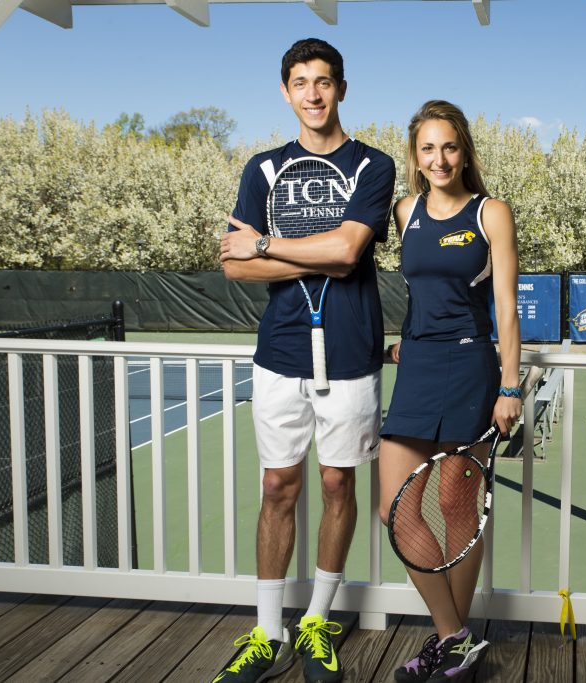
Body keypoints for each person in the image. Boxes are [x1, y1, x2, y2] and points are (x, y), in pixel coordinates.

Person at [216, 38, 395, 683]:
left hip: (351, 354)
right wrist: (298, 253)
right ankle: (267, 633)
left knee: (337, 485)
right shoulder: (263, 167)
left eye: (324, 82)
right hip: (280, 353)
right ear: (286, 92)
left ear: (341, 89)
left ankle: (317, 622)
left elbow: (348, 253)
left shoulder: (374, 166)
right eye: (301, 82)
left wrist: (268, 243)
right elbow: (234, 266)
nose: (313, 94)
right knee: (277, 488)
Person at [378, 100, 522, 683]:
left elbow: (507, 308)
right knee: (395, 509)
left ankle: (450, 644)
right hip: (416, 371)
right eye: (427, 148)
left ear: (464, 153)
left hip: (470, 370)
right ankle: (454, 637)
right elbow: (417, 293)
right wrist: (398, 344)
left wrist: (510, 387)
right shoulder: (404, 210)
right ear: (415, 157)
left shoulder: (492, 213)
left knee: (455, 507)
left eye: (449, 147)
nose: (439, 158)